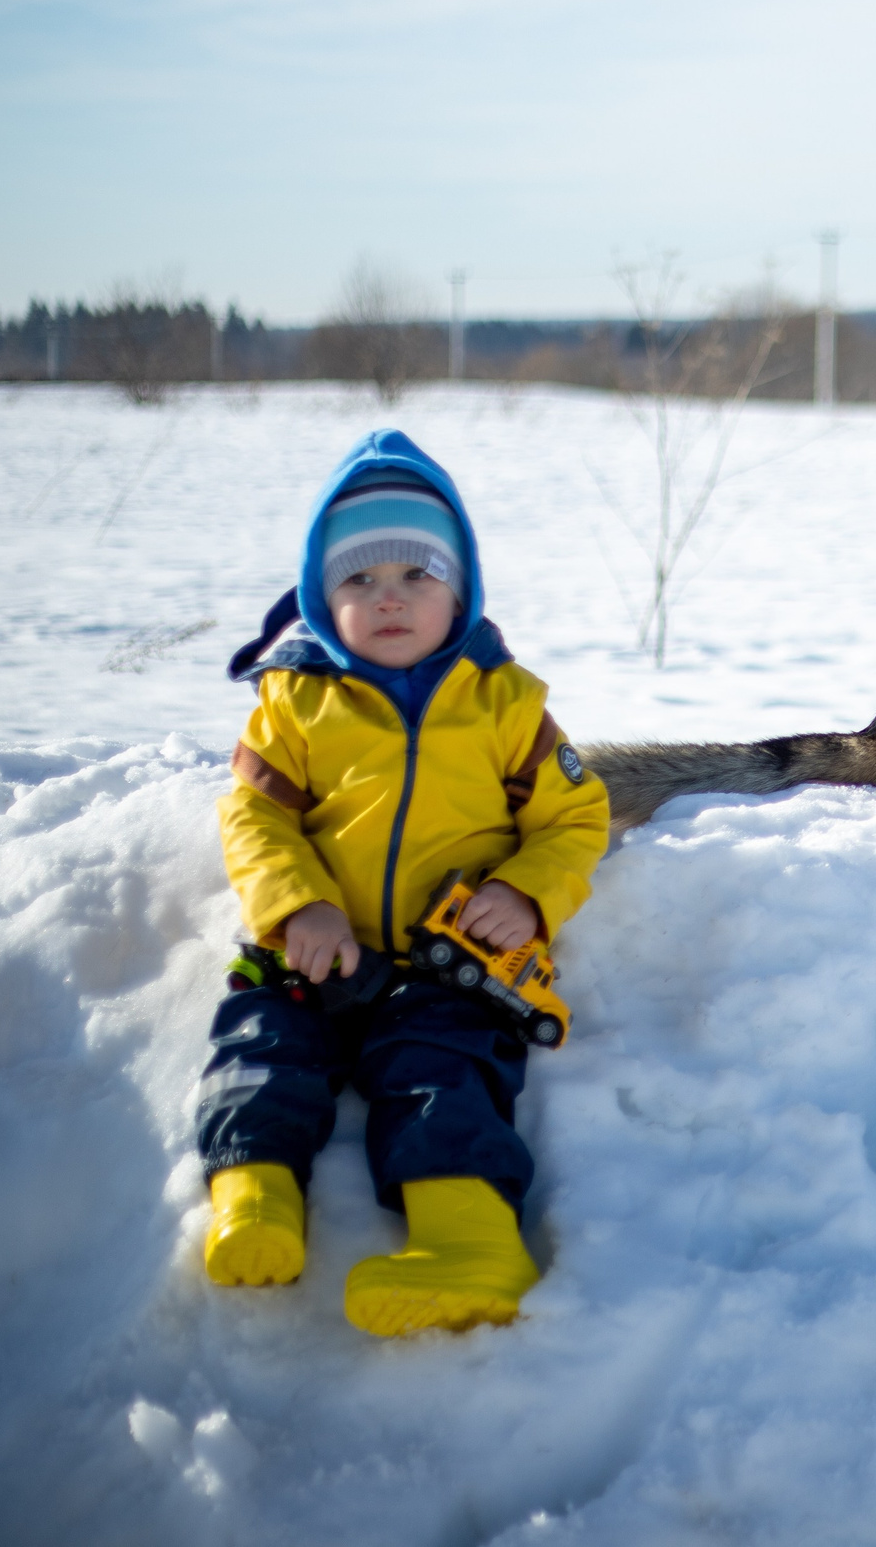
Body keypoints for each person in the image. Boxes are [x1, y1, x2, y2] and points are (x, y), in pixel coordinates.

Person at [197, 430, 608, 1336]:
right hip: (315, 948)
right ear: (319, 593)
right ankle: (254, 1196)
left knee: (443, 1074)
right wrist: (294, 900)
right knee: (261, 1044)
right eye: (359, 579)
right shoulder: (293, 705)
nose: (389, 599)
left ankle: (472, 1243)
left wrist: (528, 891)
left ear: (460, 586)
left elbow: (576, 817)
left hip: (445, 962)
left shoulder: (508, 705)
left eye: (416, 574)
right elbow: (252, 816)